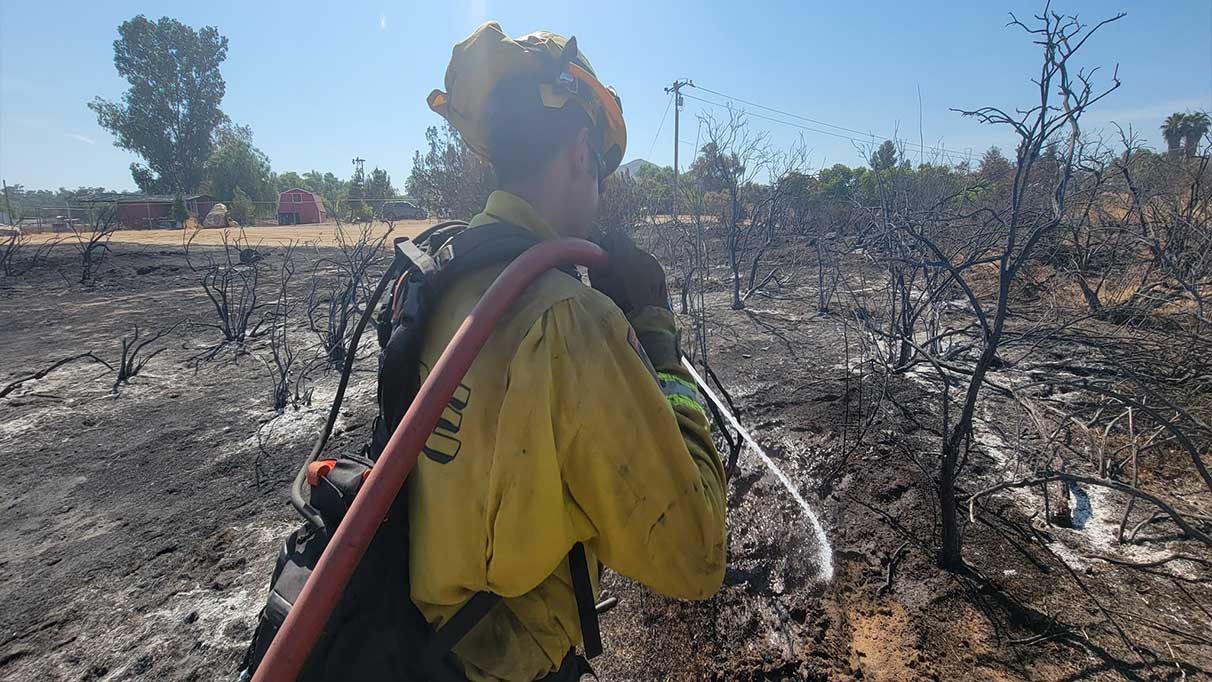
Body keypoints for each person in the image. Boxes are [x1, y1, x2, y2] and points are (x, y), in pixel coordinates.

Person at [413, 22, 727, 681]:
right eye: (602, 173)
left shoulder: (442, 276)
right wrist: (661, 351)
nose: (600, 192)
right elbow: (697, 557)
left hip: (421, 645)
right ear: (581, 151)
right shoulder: (568, 319)